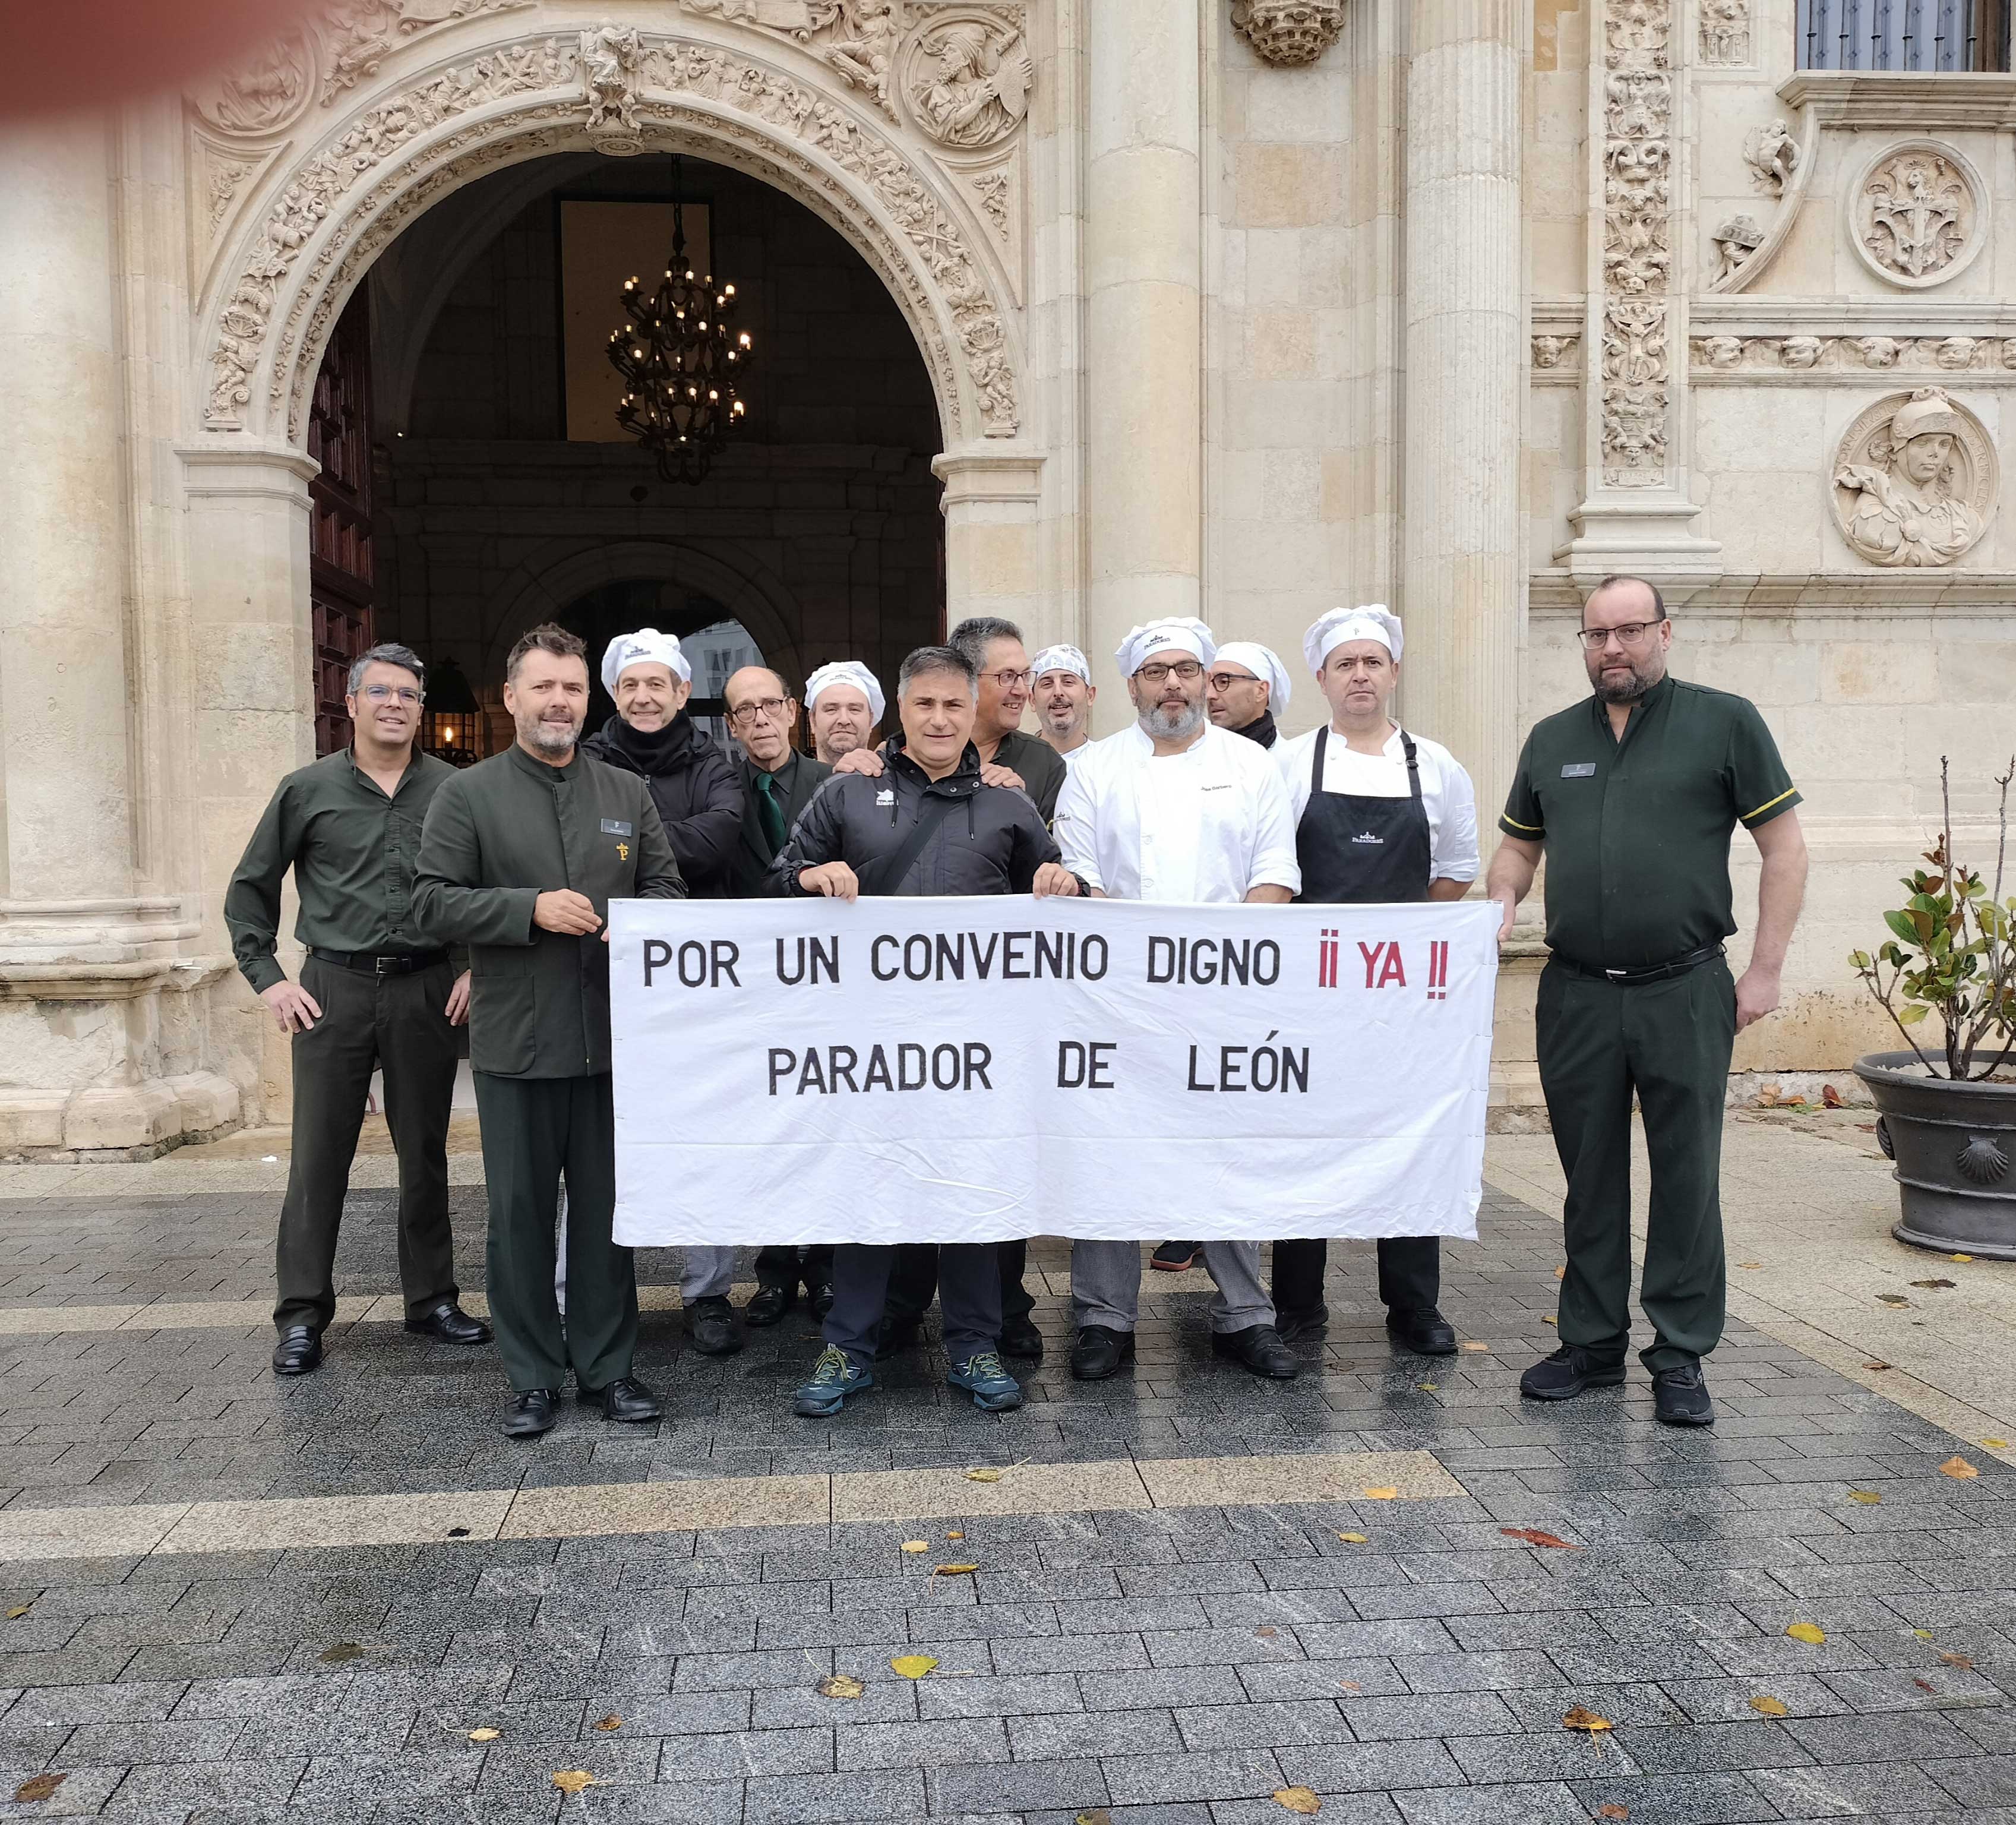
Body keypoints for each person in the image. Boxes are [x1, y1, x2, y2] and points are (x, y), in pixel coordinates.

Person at [1486, 574, 1808, 1429]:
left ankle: (1677, 1353)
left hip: (1685, 987)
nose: (1611, 650)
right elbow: (1516, 850)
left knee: (1686, 1176)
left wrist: (1764, 971)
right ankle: (1589, 1344)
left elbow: (1784, 849)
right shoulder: (1552, 739)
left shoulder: (1724, 722)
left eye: (1628, 632)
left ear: (1664, 633)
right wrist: (1500, 901)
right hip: (1577, 992)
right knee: (1587, 1178)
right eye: (1595, 636)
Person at [766, 643, 1083, 1418]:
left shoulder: (1009, 805)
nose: (939, 719)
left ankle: (974, 1348)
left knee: (970, 1193)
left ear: (970, 710)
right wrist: (811, 876)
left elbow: (1066, 899)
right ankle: (849, 1345)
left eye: (953, 704)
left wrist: (1060, 879)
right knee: (867, 1190)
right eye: (924, 705)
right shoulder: (847, 795)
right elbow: (777, 880)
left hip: (976, 1051)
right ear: (899, 713)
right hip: (869, 1047)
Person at [413, 623, 685, 1438]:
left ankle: (608, 1368)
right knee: (520, 1216)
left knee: (608, 1214)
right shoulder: (468, 795)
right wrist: (523, 908)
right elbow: (429, 902)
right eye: (543, 687)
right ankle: (531, 1374)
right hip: (517, 1044)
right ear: (511, 698)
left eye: (570, 688)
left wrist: (626, 920)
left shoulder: (624, 795)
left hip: (610, 1046)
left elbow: (668, 888)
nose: (558, 701)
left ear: (584, 698)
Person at [225, 642, 492, 1377]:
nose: (396, 705)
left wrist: (471, 966)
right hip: (331, 990)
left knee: (426, 1153)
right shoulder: (305, 789)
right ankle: (303, 1315)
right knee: (317, 1159)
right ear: (350, 703)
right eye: (381, 692)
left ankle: (432, 1299)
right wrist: (270, 978)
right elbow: (250, 888)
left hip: (425, 987)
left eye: (409, 695)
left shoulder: (454, 790)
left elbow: (485, 884)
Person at [1053, 617, 1303, 1382]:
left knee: (1223, 1154)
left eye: (1187, 671)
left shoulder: (1252, 765)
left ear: (1207, 681)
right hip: (1117, 998)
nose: (1173, 685)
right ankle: (1104, 1318)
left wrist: (1225, 968)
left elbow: (1275, 874)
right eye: (1156, 672)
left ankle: (1245, 1315)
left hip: (1223, 994)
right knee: (1109, 1153)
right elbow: (1079, 873)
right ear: (1131, 685)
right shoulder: (1093, 768)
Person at [1268, 606, 1478, 1354]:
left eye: (1372, 662)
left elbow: (1454, 872)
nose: (1360, 675)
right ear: (1322, 679)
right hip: (1306, 993)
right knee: (1304, 1141)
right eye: (1345, 664)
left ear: (1393, 672)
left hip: (1401, 997)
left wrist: (1388, 947)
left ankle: (1413, 1307)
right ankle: (1296, 1305)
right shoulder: (1289, 764)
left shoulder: (1438, 765)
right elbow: (1267, 872)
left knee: (1409, 1142)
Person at [582, 627, 745, 1355]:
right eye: (630, 686)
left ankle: (707, 1292)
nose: (644, 697)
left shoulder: (718, 762)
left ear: (682, 692)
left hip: (695, 979)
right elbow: (578, 851)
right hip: (597, 970)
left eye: (659, 685)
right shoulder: (583, 759)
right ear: (614, 694)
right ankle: (582, 1291)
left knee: (703, 1136)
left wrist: (629, 840)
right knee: (590, 1141)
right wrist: (650, 842)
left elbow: (720, 836)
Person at [721, 663, 836, 1323]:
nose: (760, 719)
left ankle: (823, 1267)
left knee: (820, 1127)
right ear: (732, 725)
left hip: (822, 986)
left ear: (793, 711)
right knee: (764, 1129)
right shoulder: (719, 789)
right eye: (745, 711)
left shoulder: (833, 784)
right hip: (752, 989)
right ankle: (772, 1269)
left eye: (770, 706)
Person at [1205, 640, 1292, 748]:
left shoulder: (1290, 761)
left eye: (1224, 682)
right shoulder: (1195, 758)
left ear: (1261, 691)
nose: (1210, 695)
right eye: (1207, 684)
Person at [803, 659, 883, 765]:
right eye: (831, 709)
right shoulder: (796, 781)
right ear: (812, 720)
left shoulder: (890, 781)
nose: (844, 720)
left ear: (870, 719)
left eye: (854, 709)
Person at [1031, 643, 1097, 766]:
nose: (1058, 692)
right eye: (1047, 684)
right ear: (1033, 700)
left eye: (1068, 682)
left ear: (1090, 696)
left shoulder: (1108, 764)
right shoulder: (1013, 765)